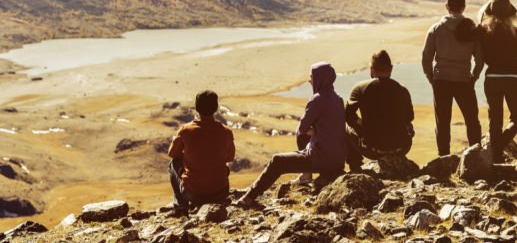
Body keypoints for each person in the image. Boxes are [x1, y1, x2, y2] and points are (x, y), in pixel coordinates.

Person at [237, 62, 345, 205]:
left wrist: (314, 131)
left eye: (312, 76)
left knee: (278, 161)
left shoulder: (317, 99)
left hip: (322, 159)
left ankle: (249, 197)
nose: (309, 80)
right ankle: (307, 175)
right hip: (338, 161)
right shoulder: (338, 99)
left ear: (320, 78)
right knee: (306, 139)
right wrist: (318, 130)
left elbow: (302, 128)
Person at [421, 0, 484, 156]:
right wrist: (474, 76)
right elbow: (480, 59)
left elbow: (426, 58)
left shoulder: (436, 29)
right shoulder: (471, 28)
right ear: (464, 7)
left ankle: (443, 157)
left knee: (442, 122)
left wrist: (431, 78)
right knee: (472, 120)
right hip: (464, 80)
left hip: (441, 80)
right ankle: (475, 155)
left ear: (447, 6)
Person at [477, 0, 517, 163]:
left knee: (495, 119)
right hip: (513, 79)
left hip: (492, 78)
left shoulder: (484, 32)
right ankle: (498, 148)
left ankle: (496, 152)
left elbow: (481, 56)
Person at [345, 50, 415, 171]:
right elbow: (409, 117)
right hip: (402, 147)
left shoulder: (360, 88)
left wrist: (362, 126)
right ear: (391, 68)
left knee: (344, 126)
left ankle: (355, 165)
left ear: (372, 69)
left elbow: (348, 115)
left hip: (372, 149)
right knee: (409, 125)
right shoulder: (402, 90)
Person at [167, 90, 235, 212]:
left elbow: (172, 154)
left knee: (173, 164)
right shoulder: (226, 132)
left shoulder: (186, 131)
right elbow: (230, 157)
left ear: (197, 107)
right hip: (220, 192)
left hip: (194, 194)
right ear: (215, 108)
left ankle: (181, 205)